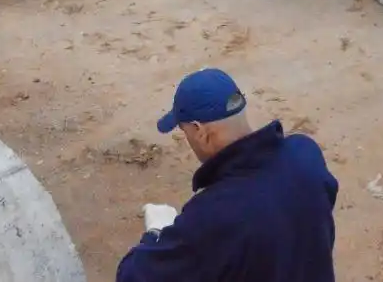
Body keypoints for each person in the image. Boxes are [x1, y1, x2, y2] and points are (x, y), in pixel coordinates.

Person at [116, 68, 338, 282]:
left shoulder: (211, 215)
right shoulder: (305, 154)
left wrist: (157, 232)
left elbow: (132, 276)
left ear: (199, 131)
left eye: (185, 131)